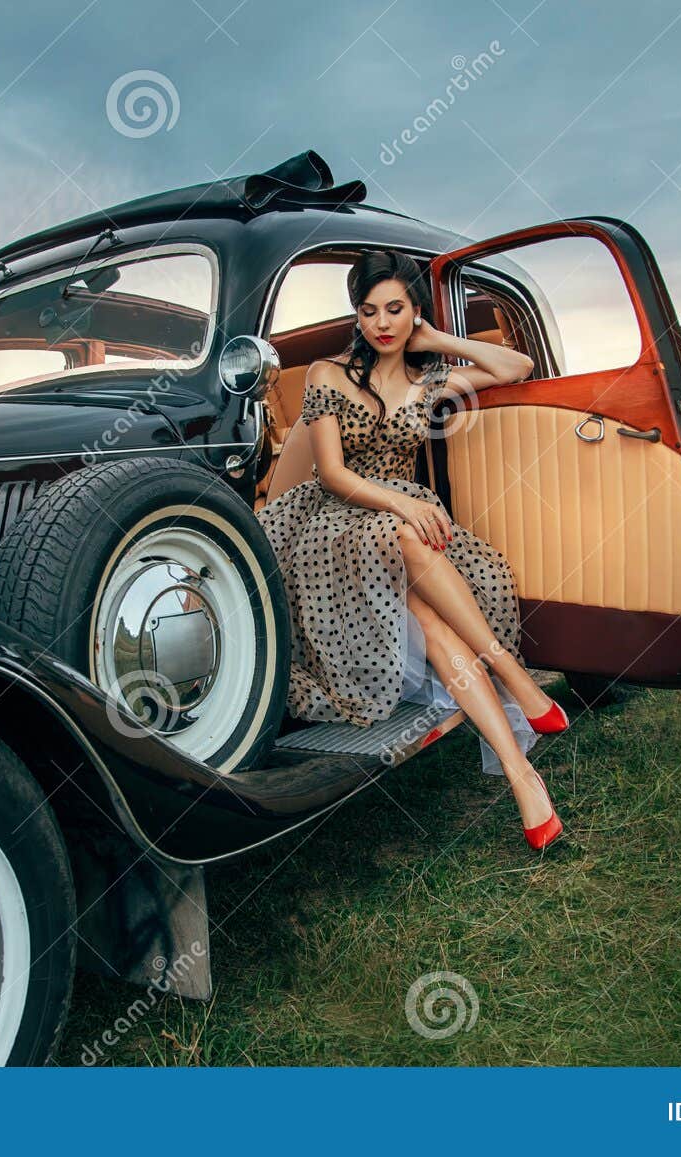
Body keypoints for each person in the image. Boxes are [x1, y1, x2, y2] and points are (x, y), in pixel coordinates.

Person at [255, 250, 570, 851]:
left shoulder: (431, 380)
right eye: (369, 310)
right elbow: (333, 474)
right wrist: (402, 504)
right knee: (403, 531)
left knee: (432, 621)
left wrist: (439, 338)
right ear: (357, 316)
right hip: (332, 528)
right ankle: (509, 669)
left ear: (414, 312)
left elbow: (516, 365)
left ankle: (521, 775)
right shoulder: (327, 374)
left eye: (396, 309)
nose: (382, 323)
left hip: (401, 533)